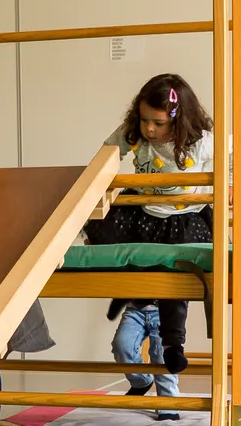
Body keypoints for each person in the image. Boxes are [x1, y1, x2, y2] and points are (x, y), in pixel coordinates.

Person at [83, 73, 228, 375]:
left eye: (159, 123)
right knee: (96, 224)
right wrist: (99, 184)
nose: (149, 128)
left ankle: (174, 343)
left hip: (183, 219)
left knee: (174, 270)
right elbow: (104, 158)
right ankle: (131, 291)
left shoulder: (200, 142)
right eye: (144, 119)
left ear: (178, 121)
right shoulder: (134, 132)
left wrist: (217, 195)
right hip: (143, 210)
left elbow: (227, 173)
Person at [110, 300, 179, 420]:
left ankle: (168, 403)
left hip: (163, 310)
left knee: (161, 354)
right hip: (134, 310)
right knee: (122, 346)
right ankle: (141, 381)